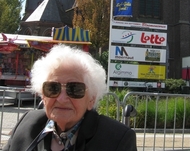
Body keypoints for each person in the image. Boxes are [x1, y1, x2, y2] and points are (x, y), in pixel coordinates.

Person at [3, 45, 137, 151]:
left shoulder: (117, 139)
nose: (61, 98)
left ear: (91, 99)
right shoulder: (26, 126)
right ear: (43, 96)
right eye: (52, 88)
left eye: (74, 89)